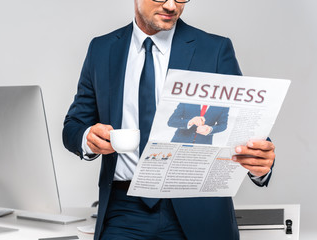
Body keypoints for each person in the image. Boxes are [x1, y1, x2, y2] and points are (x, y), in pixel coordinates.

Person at [63, 0, 275, 239]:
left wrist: (260, 162)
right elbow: (73, 126)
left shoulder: (213, 49)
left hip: (198, 207)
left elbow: (242, 122)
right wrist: (88, 139)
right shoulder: (102, 49)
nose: (172, 6)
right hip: (124, 209)